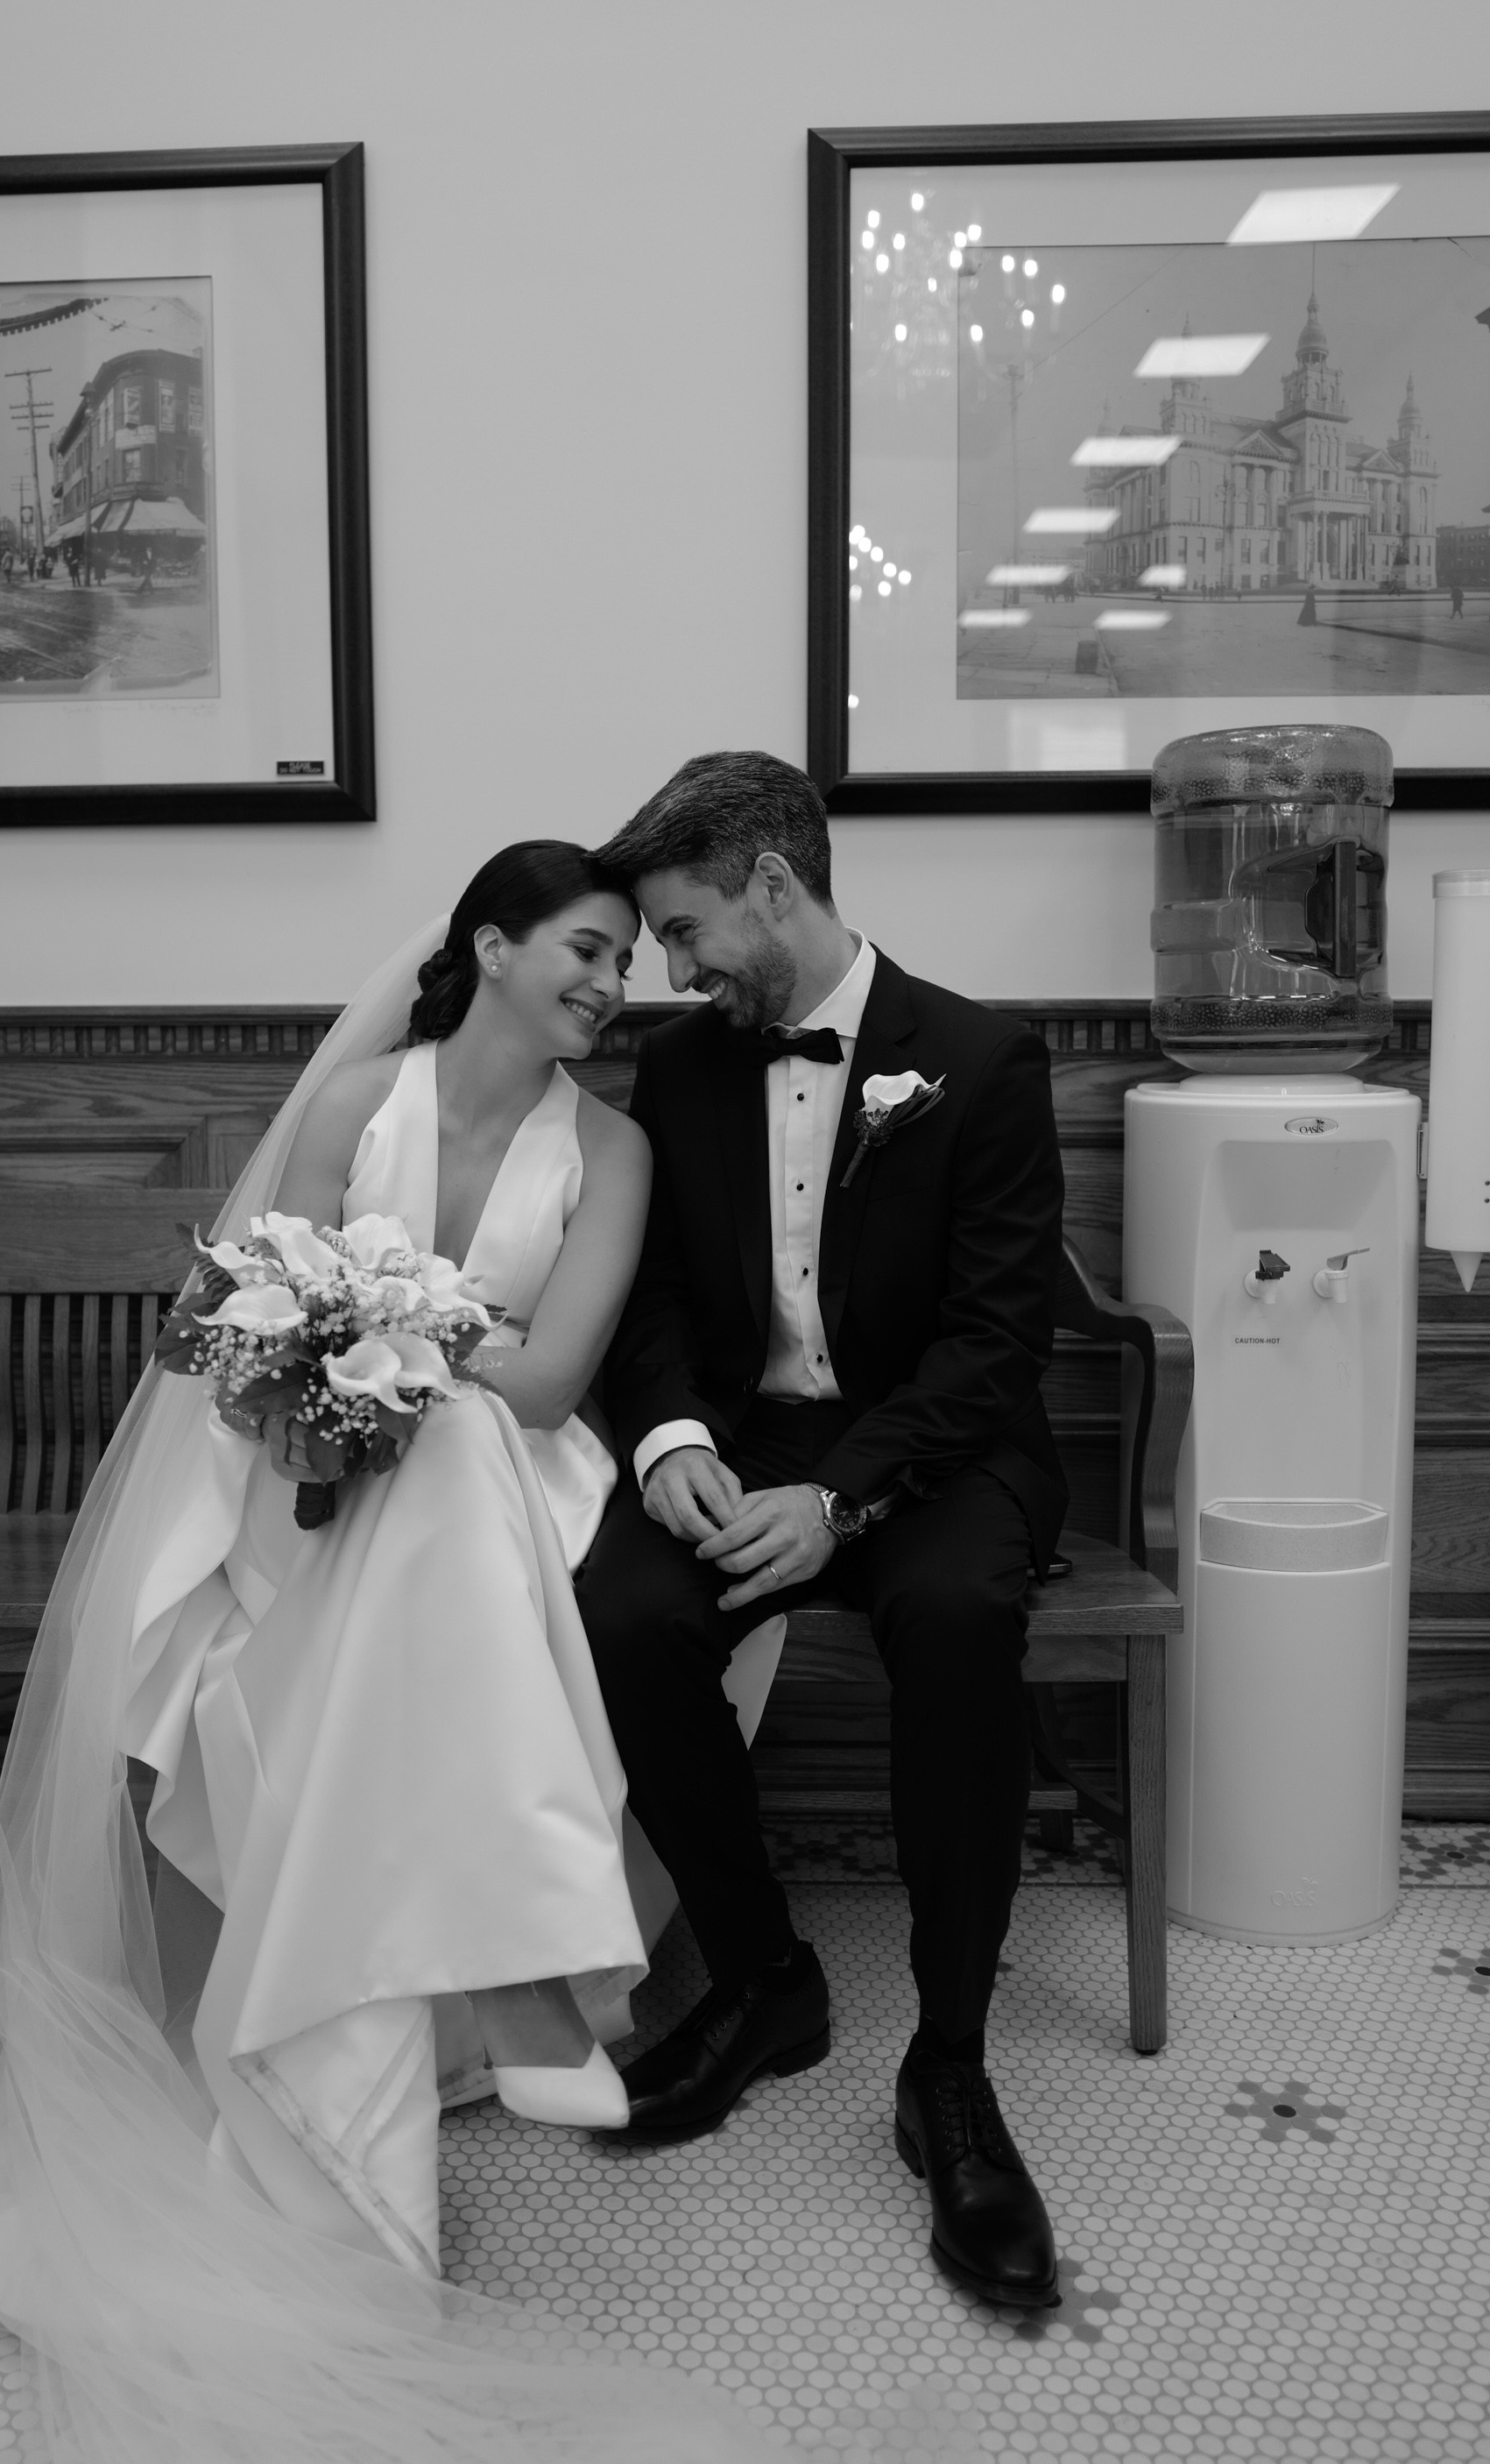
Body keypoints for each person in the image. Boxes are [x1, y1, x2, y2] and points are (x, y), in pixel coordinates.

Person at [0, 842, 787, 2464]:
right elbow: (236, 1335)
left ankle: (446, 2032)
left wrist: (393, 1339)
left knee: (440, 1457)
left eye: (628, 961)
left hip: (507, 1478)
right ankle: (528, 1979)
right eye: (585, 948)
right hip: (290, 1465)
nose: (611, 982)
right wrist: (330, 1379)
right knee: (408, 1467)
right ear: (493, 946)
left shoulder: (617, 1148)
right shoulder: (359, 1096)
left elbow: (557, 1375)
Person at [577, 751, 1068, 2312]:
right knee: (626, 1611)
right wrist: (666, 1441)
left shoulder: (981, 1062)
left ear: (772, 887)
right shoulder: (683, 1067)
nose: (670, 966)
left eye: (681, 929)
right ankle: (763, 1978)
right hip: (748, 1442)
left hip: (935, 1452)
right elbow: (646, 1299)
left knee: (959, 1622)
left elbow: (995, 1347)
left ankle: (953, 2069)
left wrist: (843, 1497)